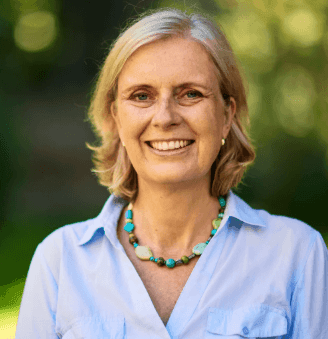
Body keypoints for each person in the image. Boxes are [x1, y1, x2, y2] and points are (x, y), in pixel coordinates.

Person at [16, 7, 328, 339]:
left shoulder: (298, 254)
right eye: (141, 96)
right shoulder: (60, 261)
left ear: (226, 115)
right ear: (116, 118)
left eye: (190, 94)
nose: (165, 117)